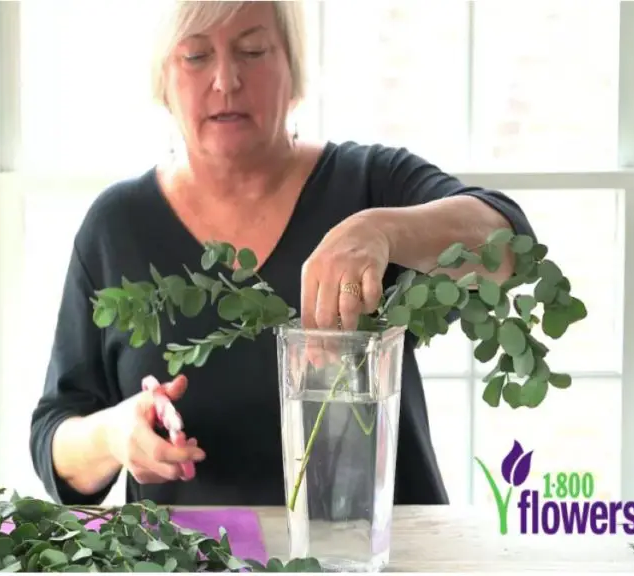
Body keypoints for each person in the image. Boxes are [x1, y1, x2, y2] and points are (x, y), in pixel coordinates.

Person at [29, 0, 536, 509]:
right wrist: (114, 435)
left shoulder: (368, 184)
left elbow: (510, 242)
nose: (226, 80)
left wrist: (382, 230)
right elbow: (55, 440)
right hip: (194, 562)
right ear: (162, 80)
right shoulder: (117, 226)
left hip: (378, 555)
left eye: (252, 50)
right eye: (196, 56)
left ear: (293, 70)